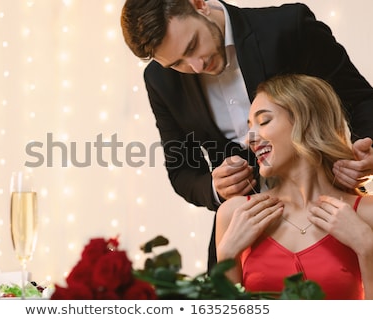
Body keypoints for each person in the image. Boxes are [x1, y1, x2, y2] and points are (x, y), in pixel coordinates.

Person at [120, 0, 373, 272]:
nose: (195, 66)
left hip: (331, 216)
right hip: (240, 232)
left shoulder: (288, 27)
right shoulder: (160, 81)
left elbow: (361, 100)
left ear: (198, 4)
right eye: (177, 63)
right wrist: (216, 189)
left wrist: (364, 148)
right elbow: (182, 170)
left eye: (192, 46)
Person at [215, 74, 373, 299]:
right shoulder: (236, 214)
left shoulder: (366, 213)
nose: (249, 139)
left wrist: (368, 246)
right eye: (250, 127)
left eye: (264, 121)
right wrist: (227, 257)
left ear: (306, 122)